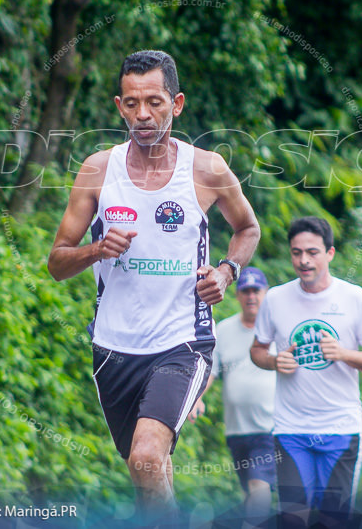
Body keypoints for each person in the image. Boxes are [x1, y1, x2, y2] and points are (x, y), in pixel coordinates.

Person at [47, 49, 261, 521]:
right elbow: (58, 262)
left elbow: (248, 228)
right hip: (113, 348)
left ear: (177, 103)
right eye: (131, 103)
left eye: (155, 102)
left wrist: (227, 271)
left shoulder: (206, 169)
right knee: (147, 472)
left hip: (182, 342)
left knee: (146, 457)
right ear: (118, 106)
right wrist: (95, 250)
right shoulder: (98, 170)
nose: (143, 114)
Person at [250, 217, 362, 528]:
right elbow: (257, 350)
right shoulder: (275, 298)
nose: (303, 261)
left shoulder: (354, 299)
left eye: (312, 252)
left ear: (330, 253)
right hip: (290, 430)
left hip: (341, 429)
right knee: (293, 518)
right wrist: (274, 361)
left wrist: (344, 354)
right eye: (296, 252)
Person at [188, 266, 277, 525]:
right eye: (245, 291)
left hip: (270, 427)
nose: (251, 297)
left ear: (266, 293)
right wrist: (196, 398)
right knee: (250, 490)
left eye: (256, 291)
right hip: (237, 430)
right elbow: (210, 372)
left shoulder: (276, 330)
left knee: (259, 488)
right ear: (237, 296)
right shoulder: (224, 330)